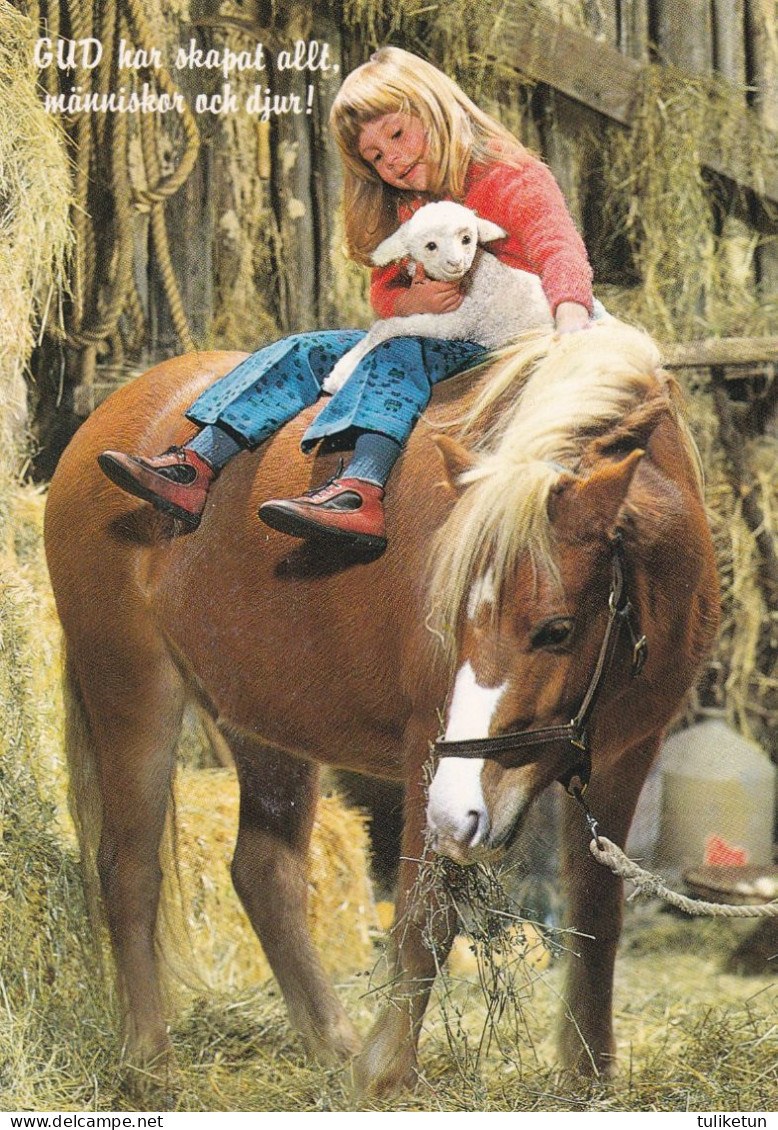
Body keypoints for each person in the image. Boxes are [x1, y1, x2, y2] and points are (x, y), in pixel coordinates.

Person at [98, 47, 595, 552]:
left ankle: (362, 489)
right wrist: (409, 303)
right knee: (305, 350)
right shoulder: (410, 207)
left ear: (437, 111)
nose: (393, 159)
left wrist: (571, 320)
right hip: (438, 335)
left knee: (395, 351)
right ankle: (197, 462)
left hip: (510, 345)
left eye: (398, 135)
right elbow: (385, 288)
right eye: (376, 157)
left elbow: (558, 249)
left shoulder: (509, 178)